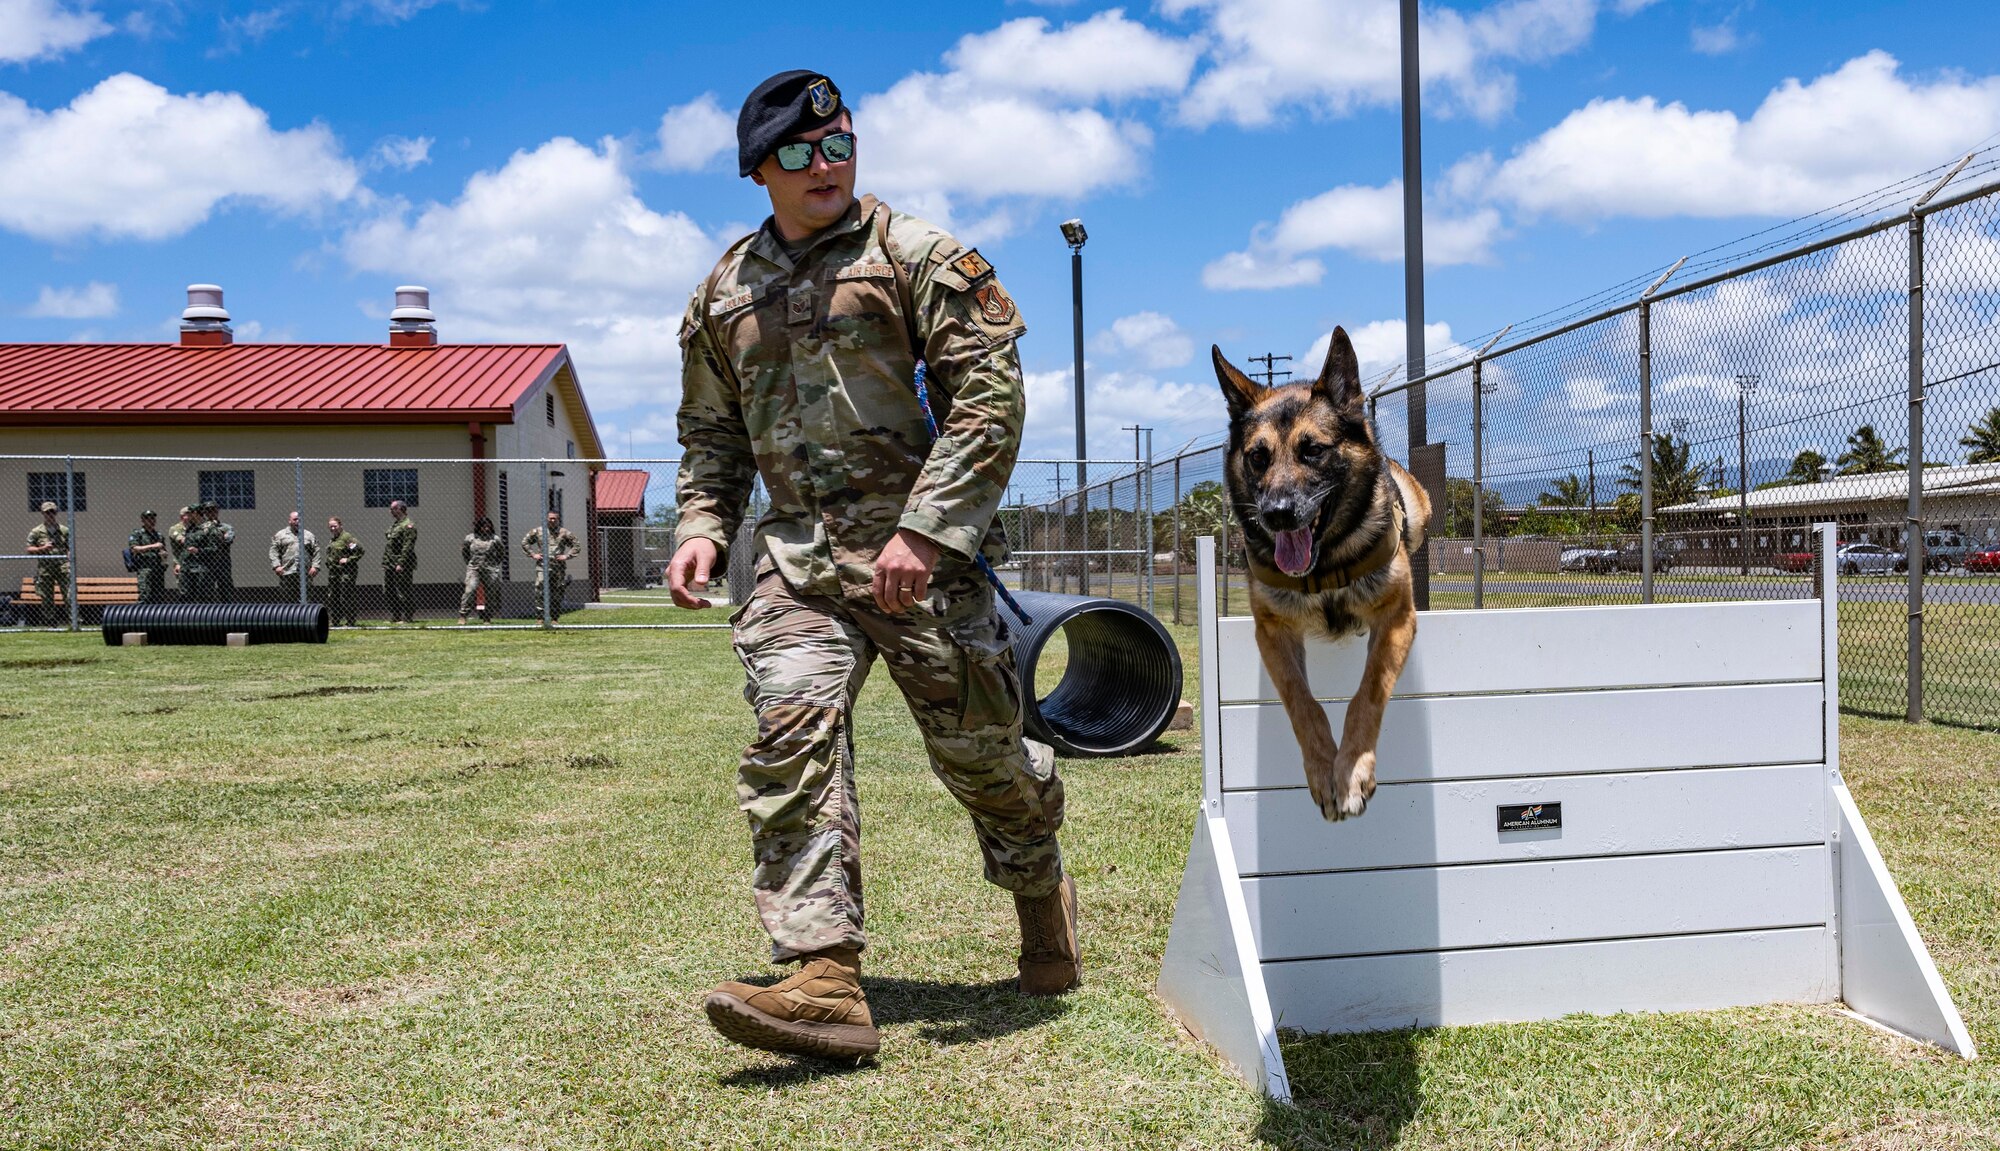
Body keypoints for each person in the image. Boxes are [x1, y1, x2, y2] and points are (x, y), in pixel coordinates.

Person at [668, 70, 1071, 1062]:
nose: (826, 163)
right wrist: (702, 523)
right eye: (800, 152)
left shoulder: (917, 256)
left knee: (981, 755)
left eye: (839, 142)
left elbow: (989, 395)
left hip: (921, 561)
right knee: (791, 722)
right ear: (759, 169)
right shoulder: (723, 292)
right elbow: (709, 437)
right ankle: (823, 974)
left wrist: (927, 530)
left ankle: (1038, 887)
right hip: (800, 561)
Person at [521, 510, 579, 621]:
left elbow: (576, 545)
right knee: (540, 590)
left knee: (557, 592)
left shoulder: (564, 532)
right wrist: (533, 554)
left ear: (558, 519)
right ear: (546, 519)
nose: (552, 520)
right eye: (550, 518)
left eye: (555, 518)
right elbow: (525, 542)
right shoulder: (538, 531)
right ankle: (540, 617)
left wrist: (567, 556)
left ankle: (554, 618)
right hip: (542, 566)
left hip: (558, 567)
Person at [25, 501, 70, 626]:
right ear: (43, 513)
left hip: (62, 566)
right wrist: (42, 548)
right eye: (47, 512)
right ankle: (50, 621)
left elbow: (70, 547)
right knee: (47, 597)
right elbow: (29, 549)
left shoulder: (64, 530)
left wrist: (69, 557)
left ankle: (74, 621)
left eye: (52, 512)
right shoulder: (36, 531)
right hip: (45, 567)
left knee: (69, 594)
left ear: (56, 513)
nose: (50, 514)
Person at [268, 511, 319, 605]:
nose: (298, 521)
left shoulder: (309, 535)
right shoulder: (280, 535)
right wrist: (276, 566)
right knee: (287, 599)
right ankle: (289, 618)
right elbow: (273, 551)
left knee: (306, 599)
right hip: (287, 572)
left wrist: (315, 566)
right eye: (295, 519)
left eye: (300, 519)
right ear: (289, 521)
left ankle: (304, 618)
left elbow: (316, 551)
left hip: (305, 573)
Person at [459, 516, 503, 624]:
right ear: (479, 527)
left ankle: (487, 618)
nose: (486, 529)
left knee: (491, 593)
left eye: (488, 526)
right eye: (483, 526)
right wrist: (469, 562)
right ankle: (463, 615)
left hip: (490, 569)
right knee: (470, 590)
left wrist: (495, 564)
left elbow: (501, 552)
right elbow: (464, 551)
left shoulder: (494, 539)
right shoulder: (470, 538)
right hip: (474, 568)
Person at [382, 500, 418, 623]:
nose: (390, 511)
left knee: (403, 589)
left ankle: (408, 616)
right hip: (390, 563)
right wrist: (386, 563)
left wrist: (401, 563)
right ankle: (396, 615)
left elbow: (407, 546)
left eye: (392, 509)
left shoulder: (408, 525)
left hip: (401, 563)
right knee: (389, 589)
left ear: (400, 509)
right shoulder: (395, 525)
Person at [324, 517, 363, 626]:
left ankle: (350, 621)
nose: (333, 528)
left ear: (340, 526)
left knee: (347, 596)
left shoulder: (346, 537)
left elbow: (360, 551)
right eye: (330, 526)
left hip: (345, 573)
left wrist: (348, 559)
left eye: (335, 526)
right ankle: (335, 620)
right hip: (334, 573)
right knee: (333, 596)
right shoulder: (333, 539)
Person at [127, 510, 168, 603]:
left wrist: (164, 554)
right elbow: (134, 548)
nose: (151, 521)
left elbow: (163, 549)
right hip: (145, 568)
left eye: (153, 518)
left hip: (158, 568)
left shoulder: (159, 535)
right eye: (148, 519)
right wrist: (153, 546)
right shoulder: (137, 534)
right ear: (143, 520)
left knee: (159, 596)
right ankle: (141, 616)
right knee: (145, 594)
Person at [203, 501, 237, 601]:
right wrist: (220, 536)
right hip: (207, 563)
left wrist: (211, 539)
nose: (211, 513)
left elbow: (228, 540)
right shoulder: (201, 528)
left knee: (226, 590)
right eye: (208, 511)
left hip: (223, 562)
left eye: (213, 510)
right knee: (207, 591)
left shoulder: (226, 527)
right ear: (205, 513)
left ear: (217, 511)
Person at [167, 506, 196, 600]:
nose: (191, 516)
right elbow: (183, 541)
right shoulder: (175, 529)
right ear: (182, 517)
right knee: (184, 590)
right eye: (188, 514)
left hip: (195, 563)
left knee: (196, 589)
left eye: (192, 514)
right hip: (181, 562)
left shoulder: (195, 528)